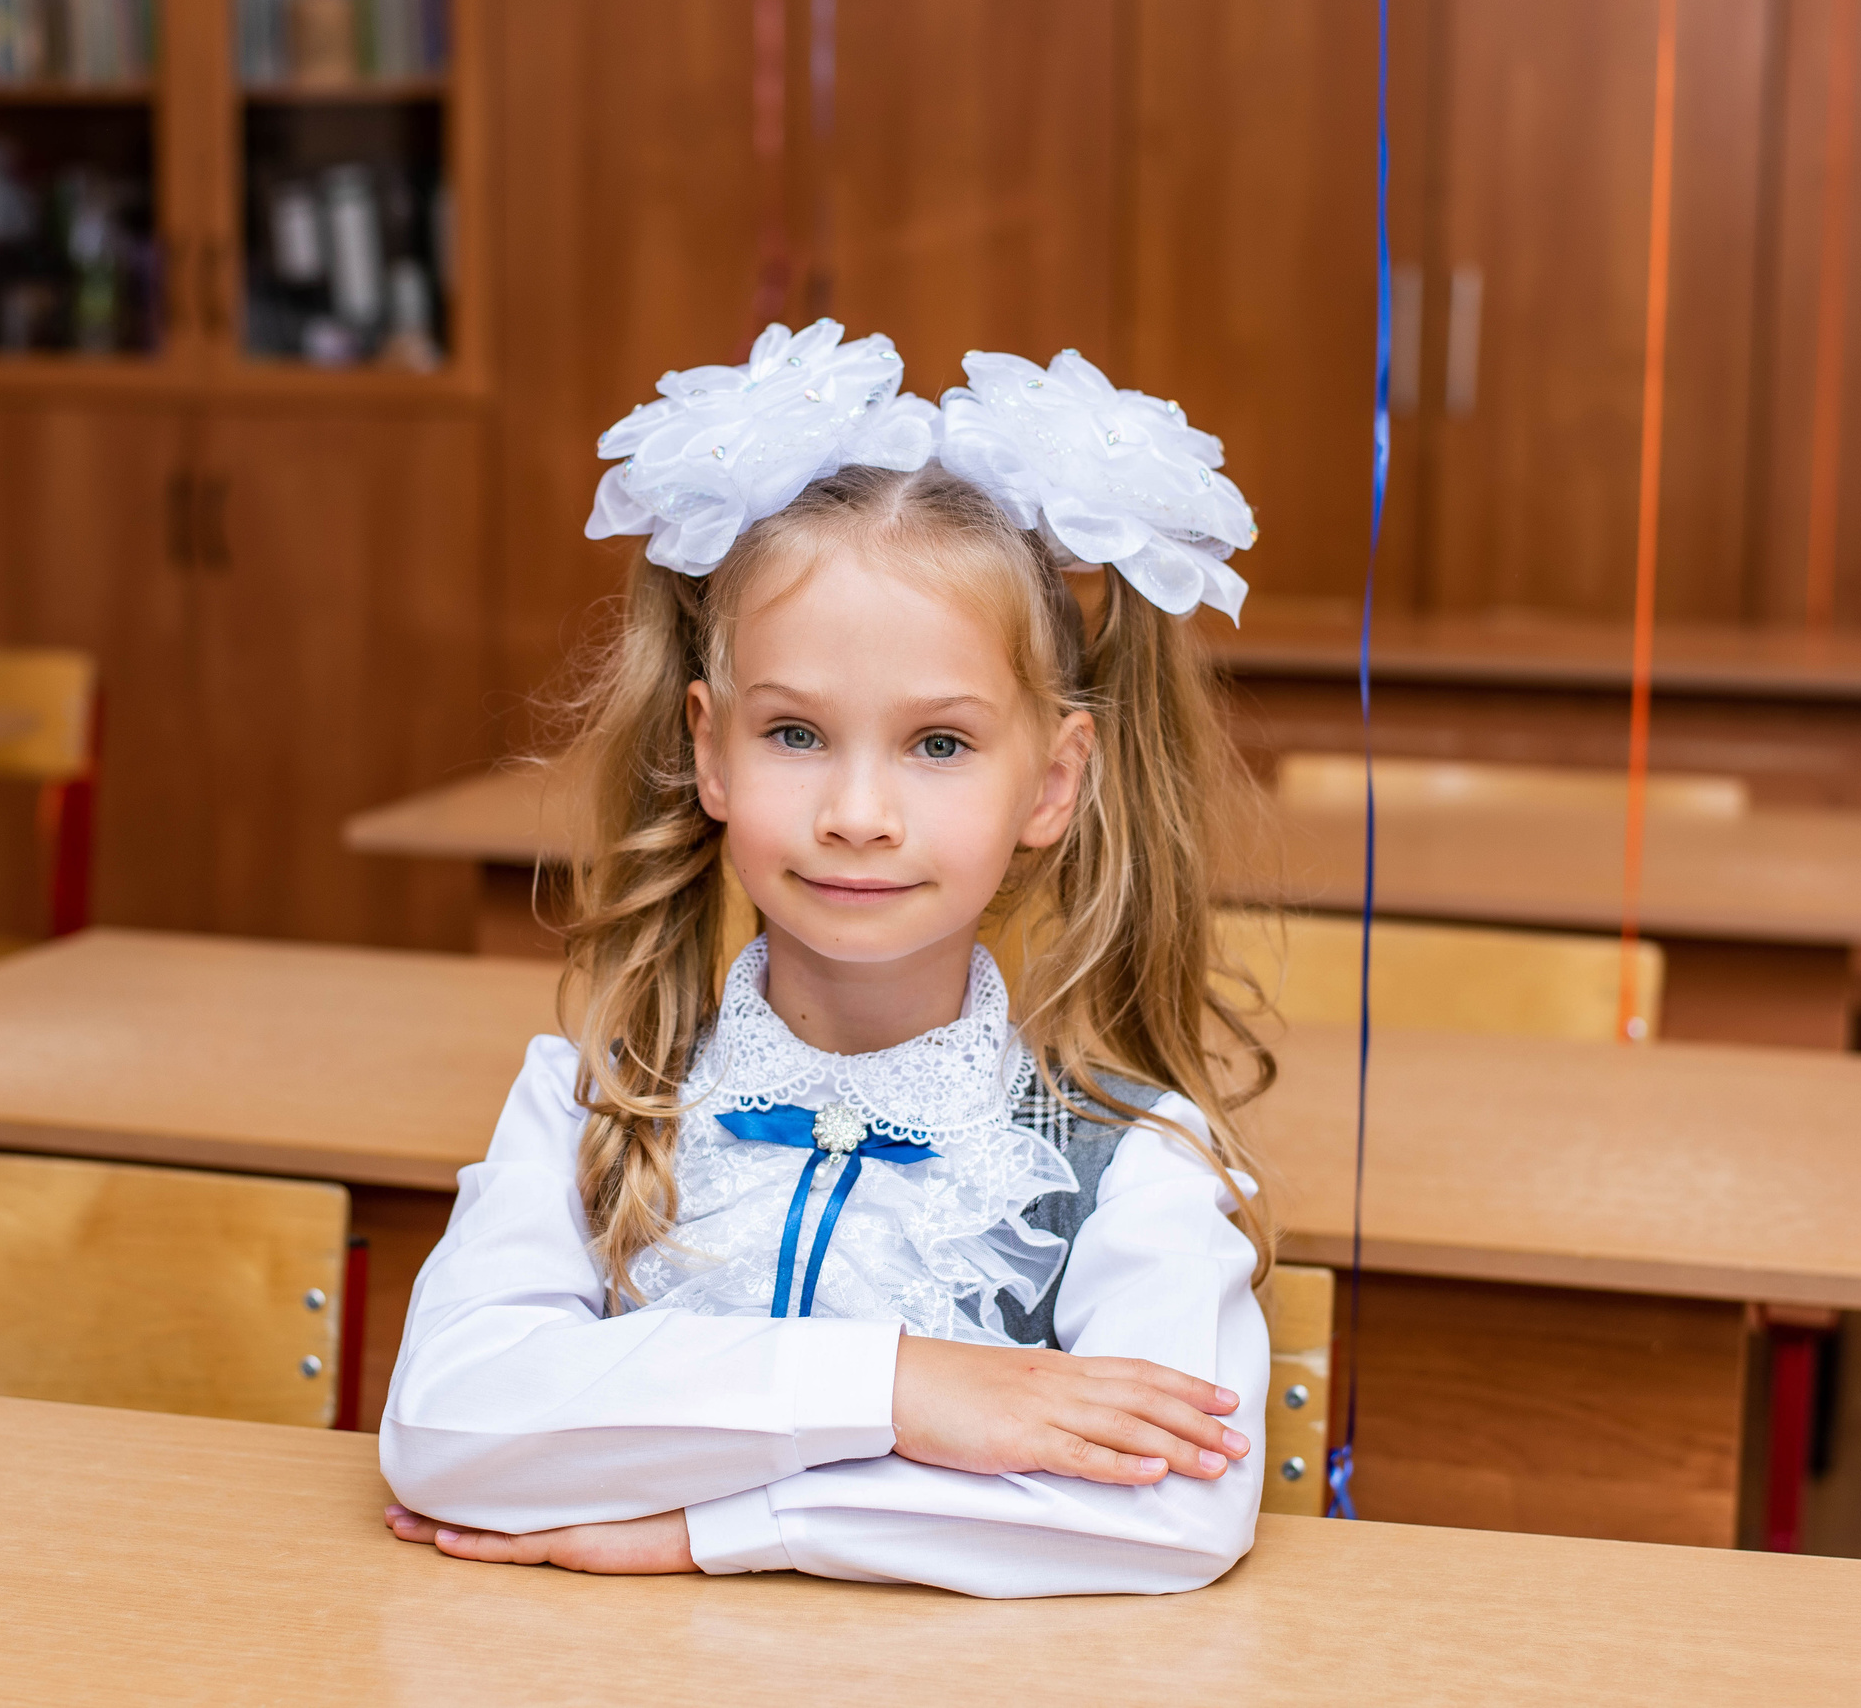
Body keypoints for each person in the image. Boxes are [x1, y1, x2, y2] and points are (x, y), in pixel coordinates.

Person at [379, 321, 1278, 1598]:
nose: (859, 811)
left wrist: (714, 1528)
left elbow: (1177, 1511)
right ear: (710, 750)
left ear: (1056, 778)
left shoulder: (1132, 1162)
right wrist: (904, 1392)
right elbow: (448, 1430)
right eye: (796, 731)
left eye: (939, 745)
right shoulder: (595, 1101)